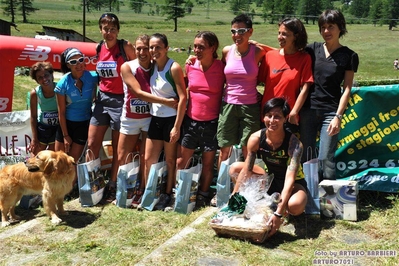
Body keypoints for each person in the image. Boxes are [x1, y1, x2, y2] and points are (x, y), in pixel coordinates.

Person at [230, 97, 307, 238]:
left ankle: (283, 210)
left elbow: (289, 180)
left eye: (277, 117)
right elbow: (247, 169)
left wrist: (278, 213)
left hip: (293, 183)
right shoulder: (255, 138)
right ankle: (256, 202)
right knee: (235, 168)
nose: (272, 121)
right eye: (268, 116)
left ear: (285, 118)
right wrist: (234, 196)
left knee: (295, 206)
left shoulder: (295, 144)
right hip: (269, 179)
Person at [300, 10, 359, 180]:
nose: (326, 31)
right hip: (308, 110)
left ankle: (330, 202)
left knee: (326, 157)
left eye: (331, 27)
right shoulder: (312, 49)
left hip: (330, 113)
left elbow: (347, 88)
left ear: (340, 28)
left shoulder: (349, 56)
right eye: (323, 27)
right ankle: (309, 199)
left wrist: (338, 117)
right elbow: (287, 53)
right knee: (308, 157)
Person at [119, 34, 178, 208]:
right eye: (139, 49)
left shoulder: (156, 65)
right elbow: (137, 92)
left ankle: (143, 191)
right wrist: (165, 101)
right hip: (130, 117)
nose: (143, 52)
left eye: (146, 48)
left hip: (149, 118)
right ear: (134, 50)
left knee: (147, 157)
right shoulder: (127, 67)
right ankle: (122, 191)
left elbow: (174, 75)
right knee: (123, 156)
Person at [87, 13, 136, 203]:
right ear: (100, 29)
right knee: (92, 144)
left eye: (112, 29)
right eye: (105, 29)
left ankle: (113, 183)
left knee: (118, 147)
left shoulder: (125, 47)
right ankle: (93, 182)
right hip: (102, 99)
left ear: (118, 30)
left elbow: (139, 65)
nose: (109, 32)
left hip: (121, 99)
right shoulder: (99, 47)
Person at [176, 31, 225, 209]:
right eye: (195, 46)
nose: (197, 50)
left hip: (211, 123)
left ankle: (203, 194)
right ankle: (180, 191)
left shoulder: (221, 67)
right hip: (191, 121)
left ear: (213, 48)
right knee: (182, 160)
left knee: (207, 162)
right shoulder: (190, 65)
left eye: (201, 47)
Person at [144, 33, 187, 211]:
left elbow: (183, 98)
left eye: (158, 47)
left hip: (170, 119)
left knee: (170, 160)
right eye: (151, 47)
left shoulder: (174, 67)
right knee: (149, 159)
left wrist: (176, 126)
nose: (154, 51)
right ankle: (150, 192)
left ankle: (168, 195)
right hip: (155, 118)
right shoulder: (152, 65)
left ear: (166, 48)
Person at [217, 14, 266, 168]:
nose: (237, 35)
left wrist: (260, 44)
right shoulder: (227, 51)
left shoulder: (257, 52)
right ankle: (222, 186)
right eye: (233, 31)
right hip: (228, 105)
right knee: (224, 148)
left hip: (250, 106)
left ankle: (246, 187)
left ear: (250, 32)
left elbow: (281, 53)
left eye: (241, 31)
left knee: (248, 149)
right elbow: (214, 66)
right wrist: (192, 60)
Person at [258, 18, 313, 133]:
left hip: (288, 116)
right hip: (267, 115)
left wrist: (294, 111)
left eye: (285, 34)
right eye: (279, 33)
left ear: (296, 36)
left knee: (288, 150)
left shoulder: (304, 58)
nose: (279, 37)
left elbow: (305, 89)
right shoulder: (269, 56)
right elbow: (256, 81)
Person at [54, 48, 98, 168]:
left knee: (71, 163)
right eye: (73, 62)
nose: (78, 64)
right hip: (66, 124)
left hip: (83, 124)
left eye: (80, 60)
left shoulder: (93, 77)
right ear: (68, 65)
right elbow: (61, 113)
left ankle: (70, 186)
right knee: (58, 163)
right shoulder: (62, 84)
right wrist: (65, 136)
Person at [28, 62, 58, 156]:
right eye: (40, 77)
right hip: (42, 129)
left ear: (51, 75)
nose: (44, 79)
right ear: (37, 81)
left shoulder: (60, 89)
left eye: (46, 75)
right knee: (34, 159)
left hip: (57, 128)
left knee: (53, 158)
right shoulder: (35, 93)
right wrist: (34, 138)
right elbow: (33, 116)